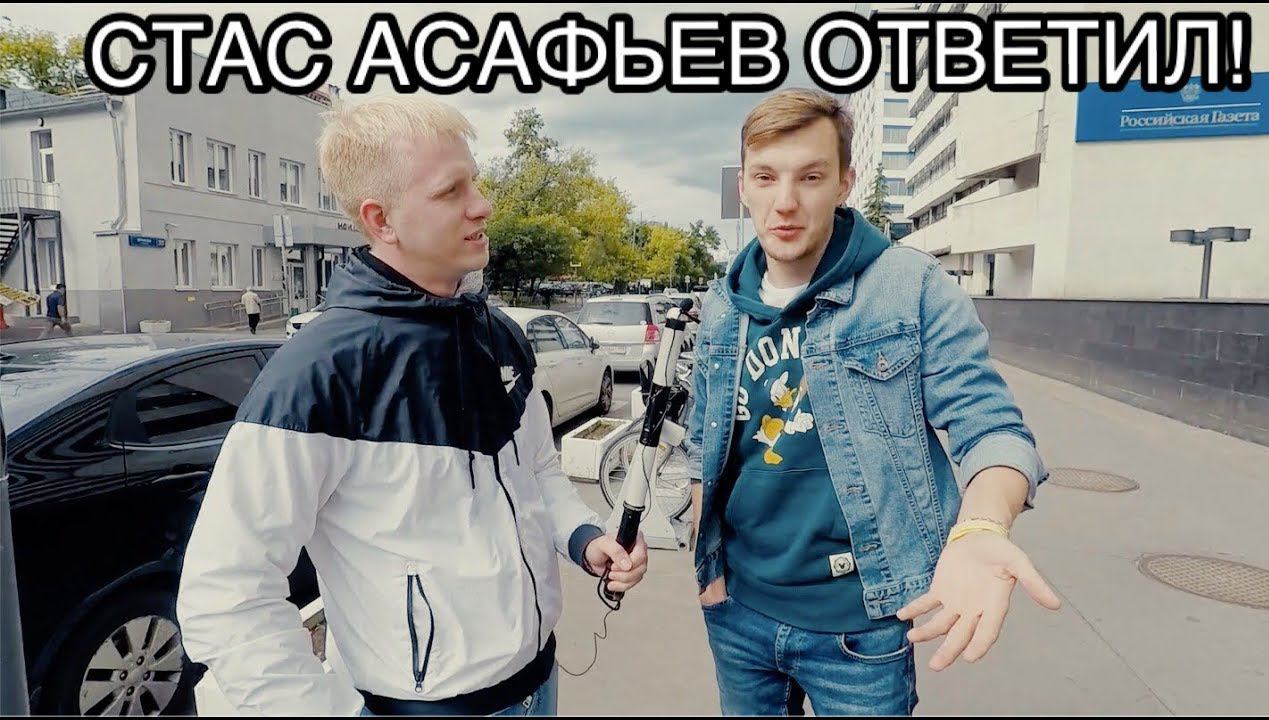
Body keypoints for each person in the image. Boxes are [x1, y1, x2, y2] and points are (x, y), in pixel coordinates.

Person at [177, 95, 649, 716]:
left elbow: (537, 470)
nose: (482, 204)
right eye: (451, 191)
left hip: (538, 683)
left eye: (474, 181)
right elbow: (226, 593)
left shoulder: (499, 336)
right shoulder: (319, 371)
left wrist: (585, 538)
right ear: (381, 220)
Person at [682, 88, 1061, 716]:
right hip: (738, 616)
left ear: (844, 183)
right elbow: (705, 444)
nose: (785, 201)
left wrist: (981, 526)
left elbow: (990, 427)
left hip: (861, 629)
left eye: (810, 177)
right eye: (766, 177)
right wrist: (707, 567)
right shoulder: (723, 305)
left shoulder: (908, 287)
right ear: (742, 186)